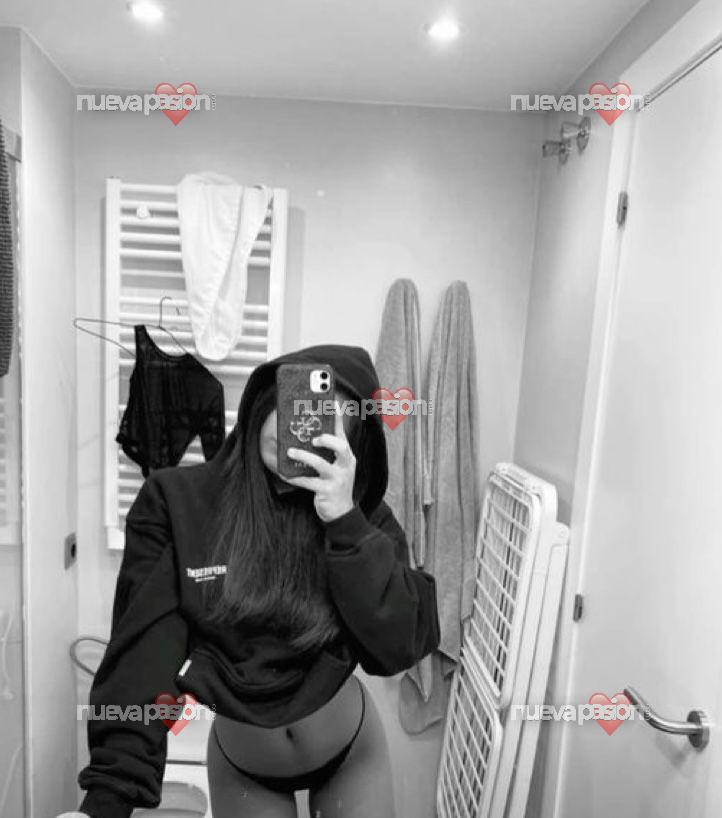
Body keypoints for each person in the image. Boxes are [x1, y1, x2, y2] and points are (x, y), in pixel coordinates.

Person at [70, 345, 440, 818]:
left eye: (324, 417)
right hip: (245, 768)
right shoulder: (178, 504)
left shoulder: (362, 517)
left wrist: (345, 525)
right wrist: (109, 797)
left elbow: (399, 645)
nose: (297, 426)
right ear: (266, 397)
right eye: (293, 402)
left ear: (352, 440)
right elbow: (143, 658)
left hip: (350, 750)